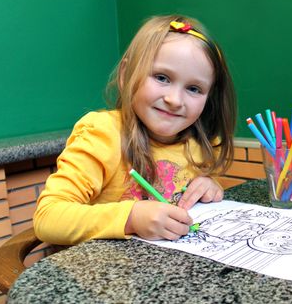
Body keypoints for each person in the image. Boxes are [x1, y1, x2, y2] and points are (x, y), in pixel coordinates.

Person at [33, 15, 236, 245]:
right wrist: (131, 218)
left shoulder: (201, 145)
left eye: (194, 88)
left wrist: (210, 188)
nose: (174, 99)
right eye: (162, 77)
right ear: (125, 74)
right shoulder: (102, 134)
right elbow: (47, 218)